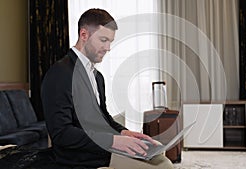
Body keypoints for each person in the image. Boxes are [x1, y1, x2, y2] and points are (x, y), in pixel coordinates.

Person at [41, 8, 173, 169]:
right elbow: (61, 133)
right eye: (103, 40)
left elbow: (103, 118)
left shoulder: (97, 77)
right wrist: (113, 141)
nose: (108, 47)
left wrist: (124, 133)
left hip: (101, 150)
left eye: (110, 41)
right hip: (78, 158)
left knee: (158, 152)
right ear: (84, 35)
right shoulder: (60, 74)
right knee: (162, 166)